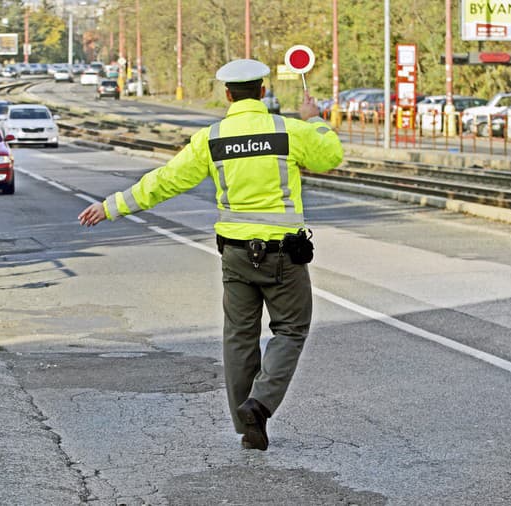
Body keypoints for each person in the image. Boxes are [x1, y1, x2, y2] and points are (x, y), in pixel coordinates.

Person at [78, 59, 343, 451]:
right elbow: (331, 155)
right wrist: (316, 118)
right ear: (264, 91)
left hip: (235, 255)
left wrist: (112, 205)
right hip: (284, 256)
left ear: (227, 94)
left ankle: (246, 422)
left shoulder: (212, 138)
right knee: (290, 329)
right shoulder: (288, 131)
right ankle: (261, 402)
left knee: (239, 336)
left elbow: (164, 181)